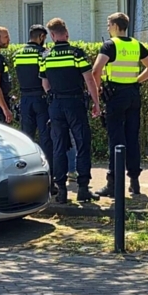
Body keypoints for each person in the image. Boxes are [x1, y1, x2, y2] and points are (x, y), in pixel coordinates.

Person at [91, 12, 148, 197]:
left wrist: (97, 91)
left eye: (108, 24)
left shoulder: (110, 45)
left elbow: (96, 70)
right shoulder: (137, 44)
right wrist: (135, 81)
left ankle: (113, 184)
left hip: (115, 95)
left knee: (116, 140)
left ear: (114, 25)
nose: (107, 28)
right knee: (132, 138)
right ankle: (134, 183)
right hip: (133, 95)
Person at [40, 17, 101, 203]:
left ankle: (62, 191)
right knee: (82, 143)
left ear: (51, 36)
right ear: (66, 33)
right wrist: (96, 103)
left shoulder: (46, 56)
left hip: (56, 106)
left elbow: (45, 83)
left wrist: (54, 98)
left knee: (59, 146)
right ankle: (83, 189)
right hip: (75, 104)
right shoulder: (76, 53)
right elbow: (89, 80)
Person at [14, 24, 53, 162]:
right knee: (45, 137)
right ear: (41, 36)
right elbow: (47, 76)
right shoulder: (43, 53)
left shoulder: (17, 54)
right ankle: (49, 172)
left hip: (24, 100)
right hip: (41, 99)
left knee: (26, 138)